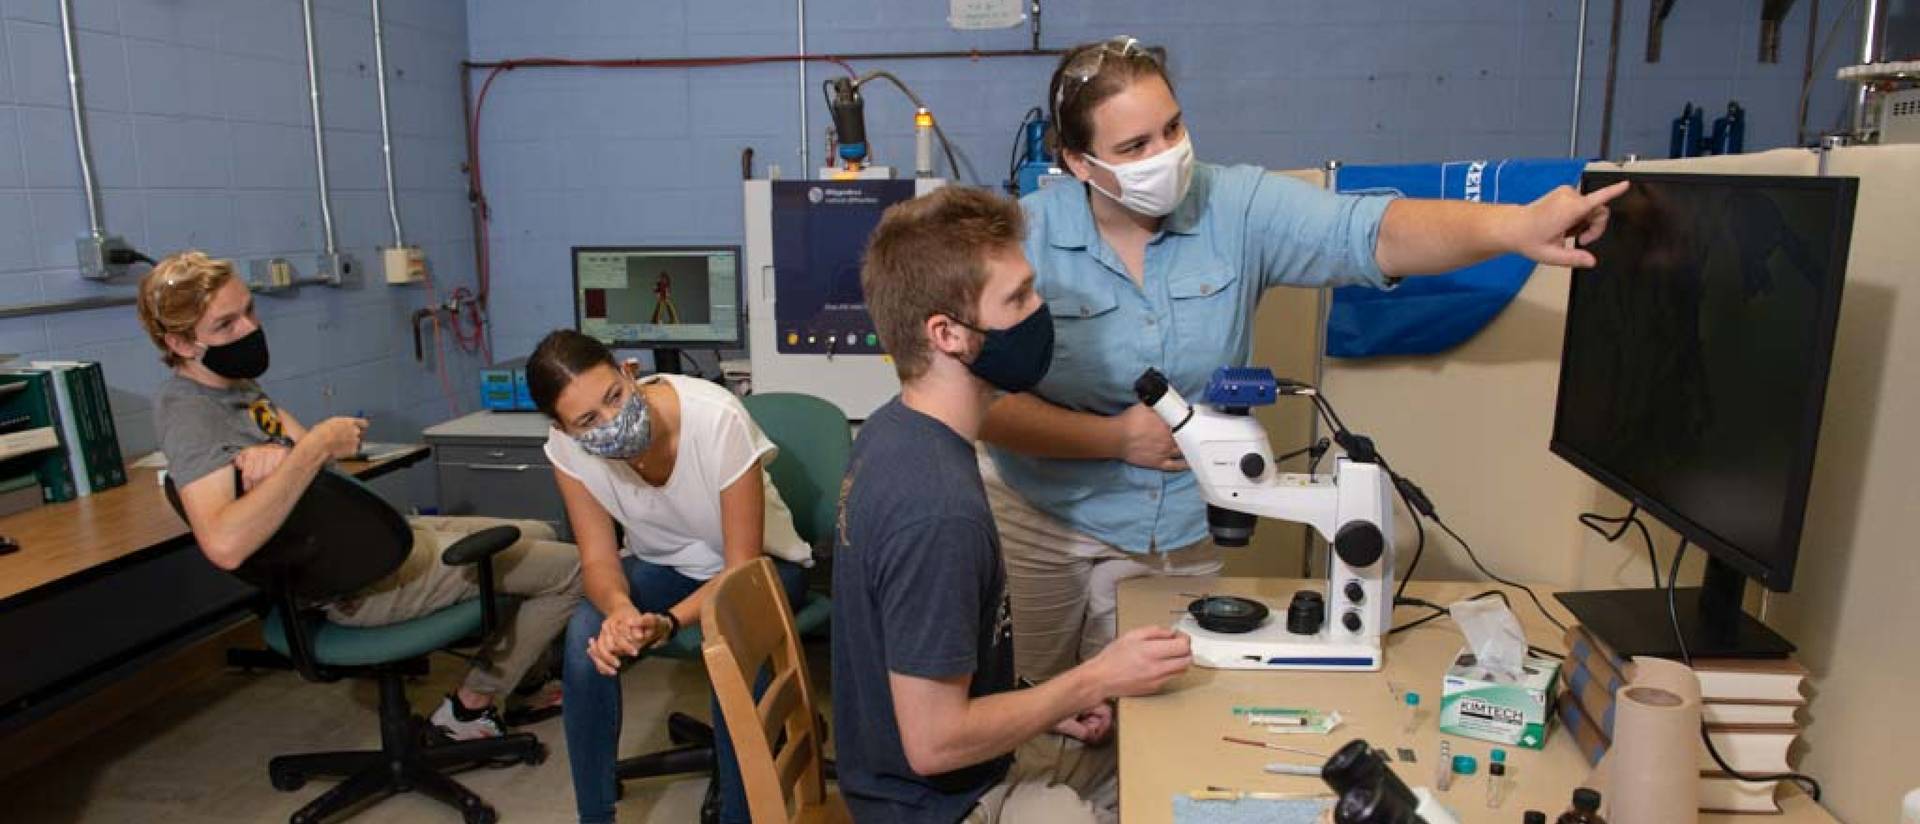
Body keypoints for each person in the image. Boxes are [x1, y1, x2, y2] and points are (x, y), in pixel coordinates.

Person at [981, 36, 1630, 681]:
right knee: (1035, 701)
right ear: (1078, 161)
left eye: (1172, 128)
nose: (1165, 156)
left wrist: (1514, 229)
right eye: (1134, 147)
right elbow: (982, 404)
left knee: (1145, 717)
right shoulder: (1026, 236)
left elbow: (1371, 233)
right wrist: (1115, 438)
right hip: (1045, 520)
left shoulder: (1235, 206)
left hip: (1175, 530)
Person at [834, 185, 1193, 823]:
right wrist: (1094, 678)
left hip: (935, 776)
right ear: (947, 334)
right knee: (1171, 796)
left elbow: (922, 658)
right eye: (1018, 298)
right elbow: (934, 742)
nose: (1040, 311)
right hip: (940, 804)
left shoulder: (898, 431)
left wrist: (1049, 700)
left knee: (1147, 750)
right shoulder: (938, 508)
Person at [139, 251, 581, 740]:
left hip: (356, 547)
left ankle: (523, 677)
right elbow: (224, 543)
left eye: (249, 310)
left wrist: (293, 455)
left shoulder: (234, 386)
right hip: (354, 583)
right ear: (179, 342)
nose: (247, 329)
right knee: (573, 571)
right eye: (225, 325)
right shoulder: (189, 413)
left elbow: (319, 464)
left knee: (539, 530)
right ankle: (470, 709)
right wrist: (309, 450)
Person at [523, 329, 814, 824]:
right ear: (563, 428)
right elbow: (597, 562)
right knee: (585, 636)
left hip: (762, 568)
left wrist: (667, 623)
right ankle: (595, 816)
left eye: (614, 396)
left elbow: (741, 567)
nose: (612, 421)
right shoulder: (567, 451)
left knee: (730, 639)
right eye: (588, 420)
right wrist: (619, 612)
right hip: (666, 567)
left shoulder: (714, 416)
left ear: (629, 372)